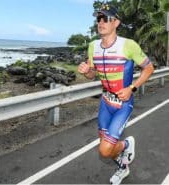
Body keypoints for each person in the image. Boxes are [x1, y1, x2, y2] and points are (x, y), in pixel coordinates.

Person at [77, 3, 154, 185]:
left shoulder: (128, 45)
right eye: (99, 19)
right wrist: (86, 71)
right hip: (105, 102)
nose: (101, 22)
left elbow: (149, 68)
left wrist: (132, 88)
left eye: (106, 18)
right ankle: (123, 168)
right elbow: (91, 75)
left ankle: (127, 145)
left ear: (116, 22)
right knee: (108, 148)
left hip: (123, 103)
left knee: (104, 150)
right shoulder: (92, 46)